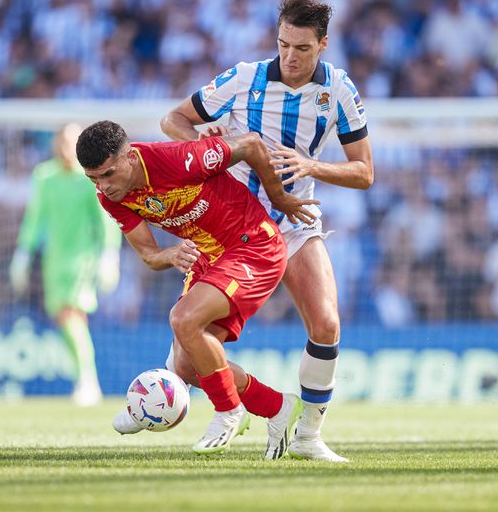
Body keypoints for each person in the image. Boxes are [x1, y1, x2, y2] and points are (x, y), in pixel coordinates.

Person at [160, 0, 374, 462]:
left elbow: (364, 172)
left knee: (327, 323)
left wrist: (311, 165)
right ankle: (273, 405)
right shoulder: (244, 78)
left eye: (302, 48)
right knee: (188, 364)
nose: (289, 57)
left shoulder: (338, 90)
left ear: (323, 44)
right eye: (283, 45)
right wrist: (205, 144)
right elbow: (173, 120)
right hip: (231, 228)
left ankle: (308, 436)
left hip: (294, 222)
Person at [75, 119, 317, 459]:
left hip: (253, 246)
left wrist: (279, 197)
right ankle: (277, 407)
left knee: (183, 318)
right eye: (93, 179)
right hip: (209, 257)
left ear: (129, 156)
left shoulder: (180, 159)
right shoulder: (110, 197)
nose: (103, 186)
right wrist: (168, 254)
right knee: (188, 366)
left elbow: (251, 144)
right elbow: (148, 255)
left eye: (108, 174)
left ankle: (228, 411)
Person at [9, 123, 121, 407]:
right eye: (62, 142)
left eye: (71, 142)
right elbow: (36, 217)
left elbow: (105, 217)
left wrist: (110, 254)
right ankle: (84, 379)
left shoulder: (89, 177)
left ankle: (87, 380)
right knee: (65, 318)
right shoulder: (45, 176)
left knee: (71, 314)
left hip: (82, 259)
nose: (65, 148)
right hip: (54, 260)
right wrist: (23, 252)